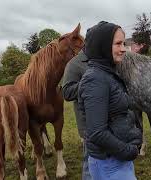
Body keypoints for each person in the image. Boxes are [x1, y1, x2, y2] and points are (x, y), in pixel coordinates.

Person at [78, 21, 142, 180]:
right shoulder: (95, 79)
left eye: (124, 43)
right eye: (118, 44)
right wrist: (128, 151)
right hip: (109, 163)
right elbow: (97, 132)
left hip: (117, 160)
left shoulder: (107, 74)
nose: (123, 49)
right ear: (103, 46)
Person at [61, 27, 92, 179]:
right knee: (90, 163)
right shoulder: (74, 64)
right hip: (88, 125)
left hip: (110, 122)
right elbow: (66, 93)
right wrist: (89, 83)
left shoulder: (103, 60)